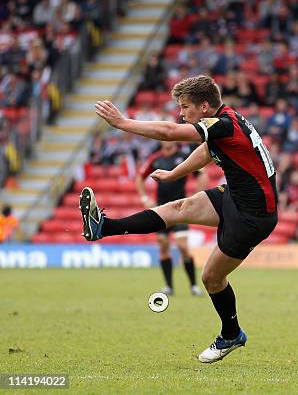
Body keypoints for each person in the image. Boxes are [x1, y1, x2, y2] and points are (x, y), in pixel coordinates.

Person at [82, 75, 278, 363]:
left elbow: (168, 132)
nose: (182, 113)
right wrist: (175, 174)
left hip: (254, 215)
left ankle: (231, 334)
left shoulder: (224, 123)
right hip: (236, 197)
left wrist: (122, 123)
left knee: (211, 277)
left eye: (186, 107)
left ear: (205, 107)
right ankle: (103, 227)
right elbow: (206, 151)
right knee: (178, 208)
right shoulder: (225, 120)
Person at [136, 141, 203, 297]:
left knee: (182, 247)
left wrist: (197, 196)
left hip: (180, 209)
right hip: (161, 210)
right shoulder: (155, 159)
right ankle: (169, 286)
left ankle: (193, 285)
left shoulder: (184, 156)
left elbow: (202, 174)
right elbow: (140, 177)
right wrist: (144, 198)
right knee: (164, 246)